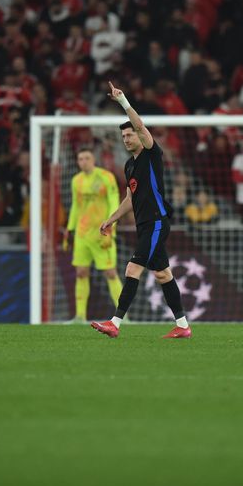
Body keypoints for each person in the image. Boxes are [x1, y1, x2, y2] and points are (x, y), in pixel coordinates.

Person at [91, 82, 191, 339]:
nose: (126, 139)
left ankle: (115, 322)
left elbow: (140, 125)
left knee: (132, 269)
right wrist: (111, 219)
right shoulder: (129, 166)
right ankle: (182, 326)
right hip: (145, 224)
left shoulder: (151, 153)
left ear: (139, 135)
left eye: (130, 135)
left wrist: (123, 102)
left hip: (157, 221)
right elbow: (129, 198)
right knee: (162, 274)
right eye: (123, 137)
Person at [63, 148, 123, 323]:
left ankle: (123, 316)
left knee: (110, 273)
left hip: (102, 232)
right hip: (82, 233)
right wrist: (70, 228)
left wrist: (112, 225)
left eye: (87, 158)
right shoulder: (76, 180)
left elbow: (114, 201)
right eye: (80, 159)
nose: (83, 161)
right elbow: (76, 205)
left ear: (93, 159)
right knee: (81, 272)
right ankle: (80, 316)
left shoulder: (106, 177)